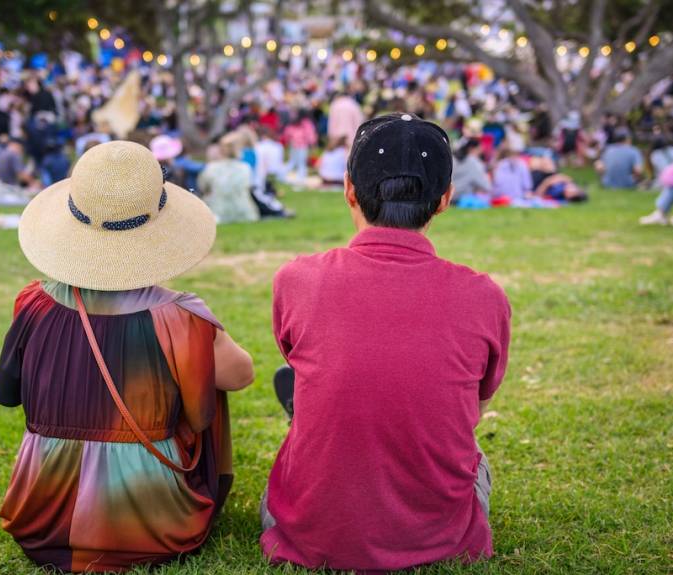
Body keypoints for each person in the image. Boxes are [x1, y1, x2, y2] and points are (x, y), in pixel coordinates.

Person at [261, 113, 511, 571]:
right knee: (474, 453)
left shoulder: (296, 280)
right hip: (444, 536)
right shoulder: (484, 296)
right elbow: (477, 401)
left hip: (310, 529)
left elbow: (293, 352)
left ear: (349, 189)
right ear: (444, 200)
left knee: (311, 405)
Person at [0, 141, 254, 572]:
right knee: (206, 375)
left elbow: (6, 394)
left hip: (41, 514)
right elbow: (240, 375)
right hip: (153, 520)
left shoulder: (32, 303)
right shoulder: (180, 317)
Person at [198, 135, 260, 224]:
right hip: (244, 213)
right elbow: (250, 187)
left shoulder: (211, 168)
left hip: (217, 213)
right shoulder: (246, 168)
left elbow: (202, 187)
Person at [639, 138, 673, 225]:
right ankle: (662, 213)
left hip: (667, 181)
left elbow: (662, 174)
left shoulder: (655, 155)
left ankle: (662, 213)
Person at [282, 111, 317, 183]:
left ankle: (282, 174)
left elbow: (286, 134)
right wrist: (313, 144)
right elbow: (310, 135)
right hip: (302, 146)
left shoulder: (293, 124)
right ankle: (300, 178)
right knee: (301, 162)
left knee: (293, 162)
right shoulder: (306, 123)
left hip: (294, 145)